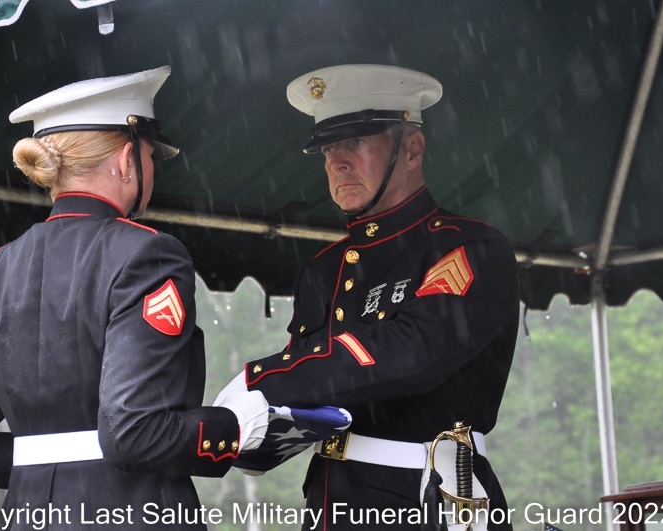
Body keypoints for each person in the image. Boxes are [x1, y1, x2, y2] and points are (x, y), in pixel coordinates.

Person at [0, 66, 268, 530]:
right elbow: (135, 433)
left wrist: (50, 463)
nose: (151, 168)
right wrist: (232, 428)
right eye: (150, 155)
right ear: (126, 160)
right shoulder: (146, 254)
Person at [217, 64, 520, 530]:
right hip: (330, 501)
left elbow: (412, 353)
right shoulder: (322, 271)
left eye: (356, 142)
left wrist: (264, 380)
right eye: (327, 149)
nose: (336, 162)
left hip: (429, 498)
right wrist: (252, 437)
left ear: (412, 149)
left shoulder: (469, 248)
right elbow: (316, 398)